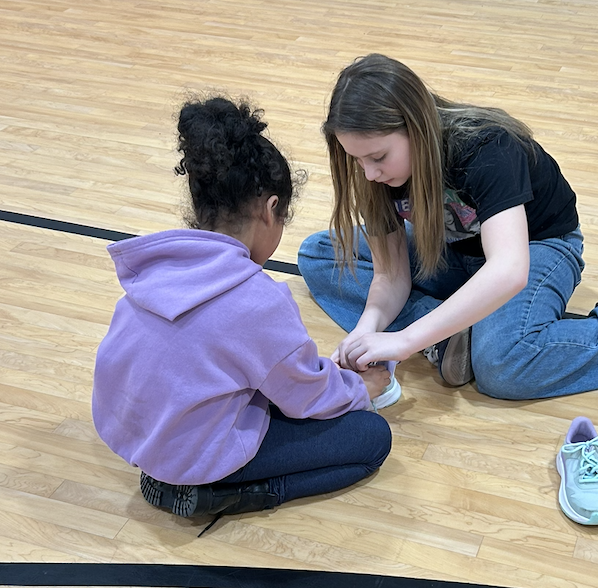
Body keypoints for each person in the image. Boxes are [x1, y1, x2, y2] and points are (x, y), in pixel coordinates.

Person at [297, 53, 598, 401]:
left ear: (416, 128)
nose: (368, 173)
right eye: (357, 159)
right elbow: (391, 276)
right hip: (453, 250)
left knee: (503, 367)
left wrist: (405, 339)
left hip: (540, 245)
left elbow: (508, 269)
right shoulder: (375, 174)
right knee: (320, 252)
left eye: (377, 157)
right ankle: (446, 334)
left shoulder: (486, 146)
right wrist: (367, 329)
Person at [92, 96, 392, 531]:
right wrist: (361, 387)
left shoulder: (157, 262)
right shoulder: (256, 298)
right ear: (270, 210)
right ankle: (219, 493)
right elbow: (305, 395)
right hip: (194, 456)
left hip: (137, 436)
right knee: (371, 439)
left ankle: (176, 473)